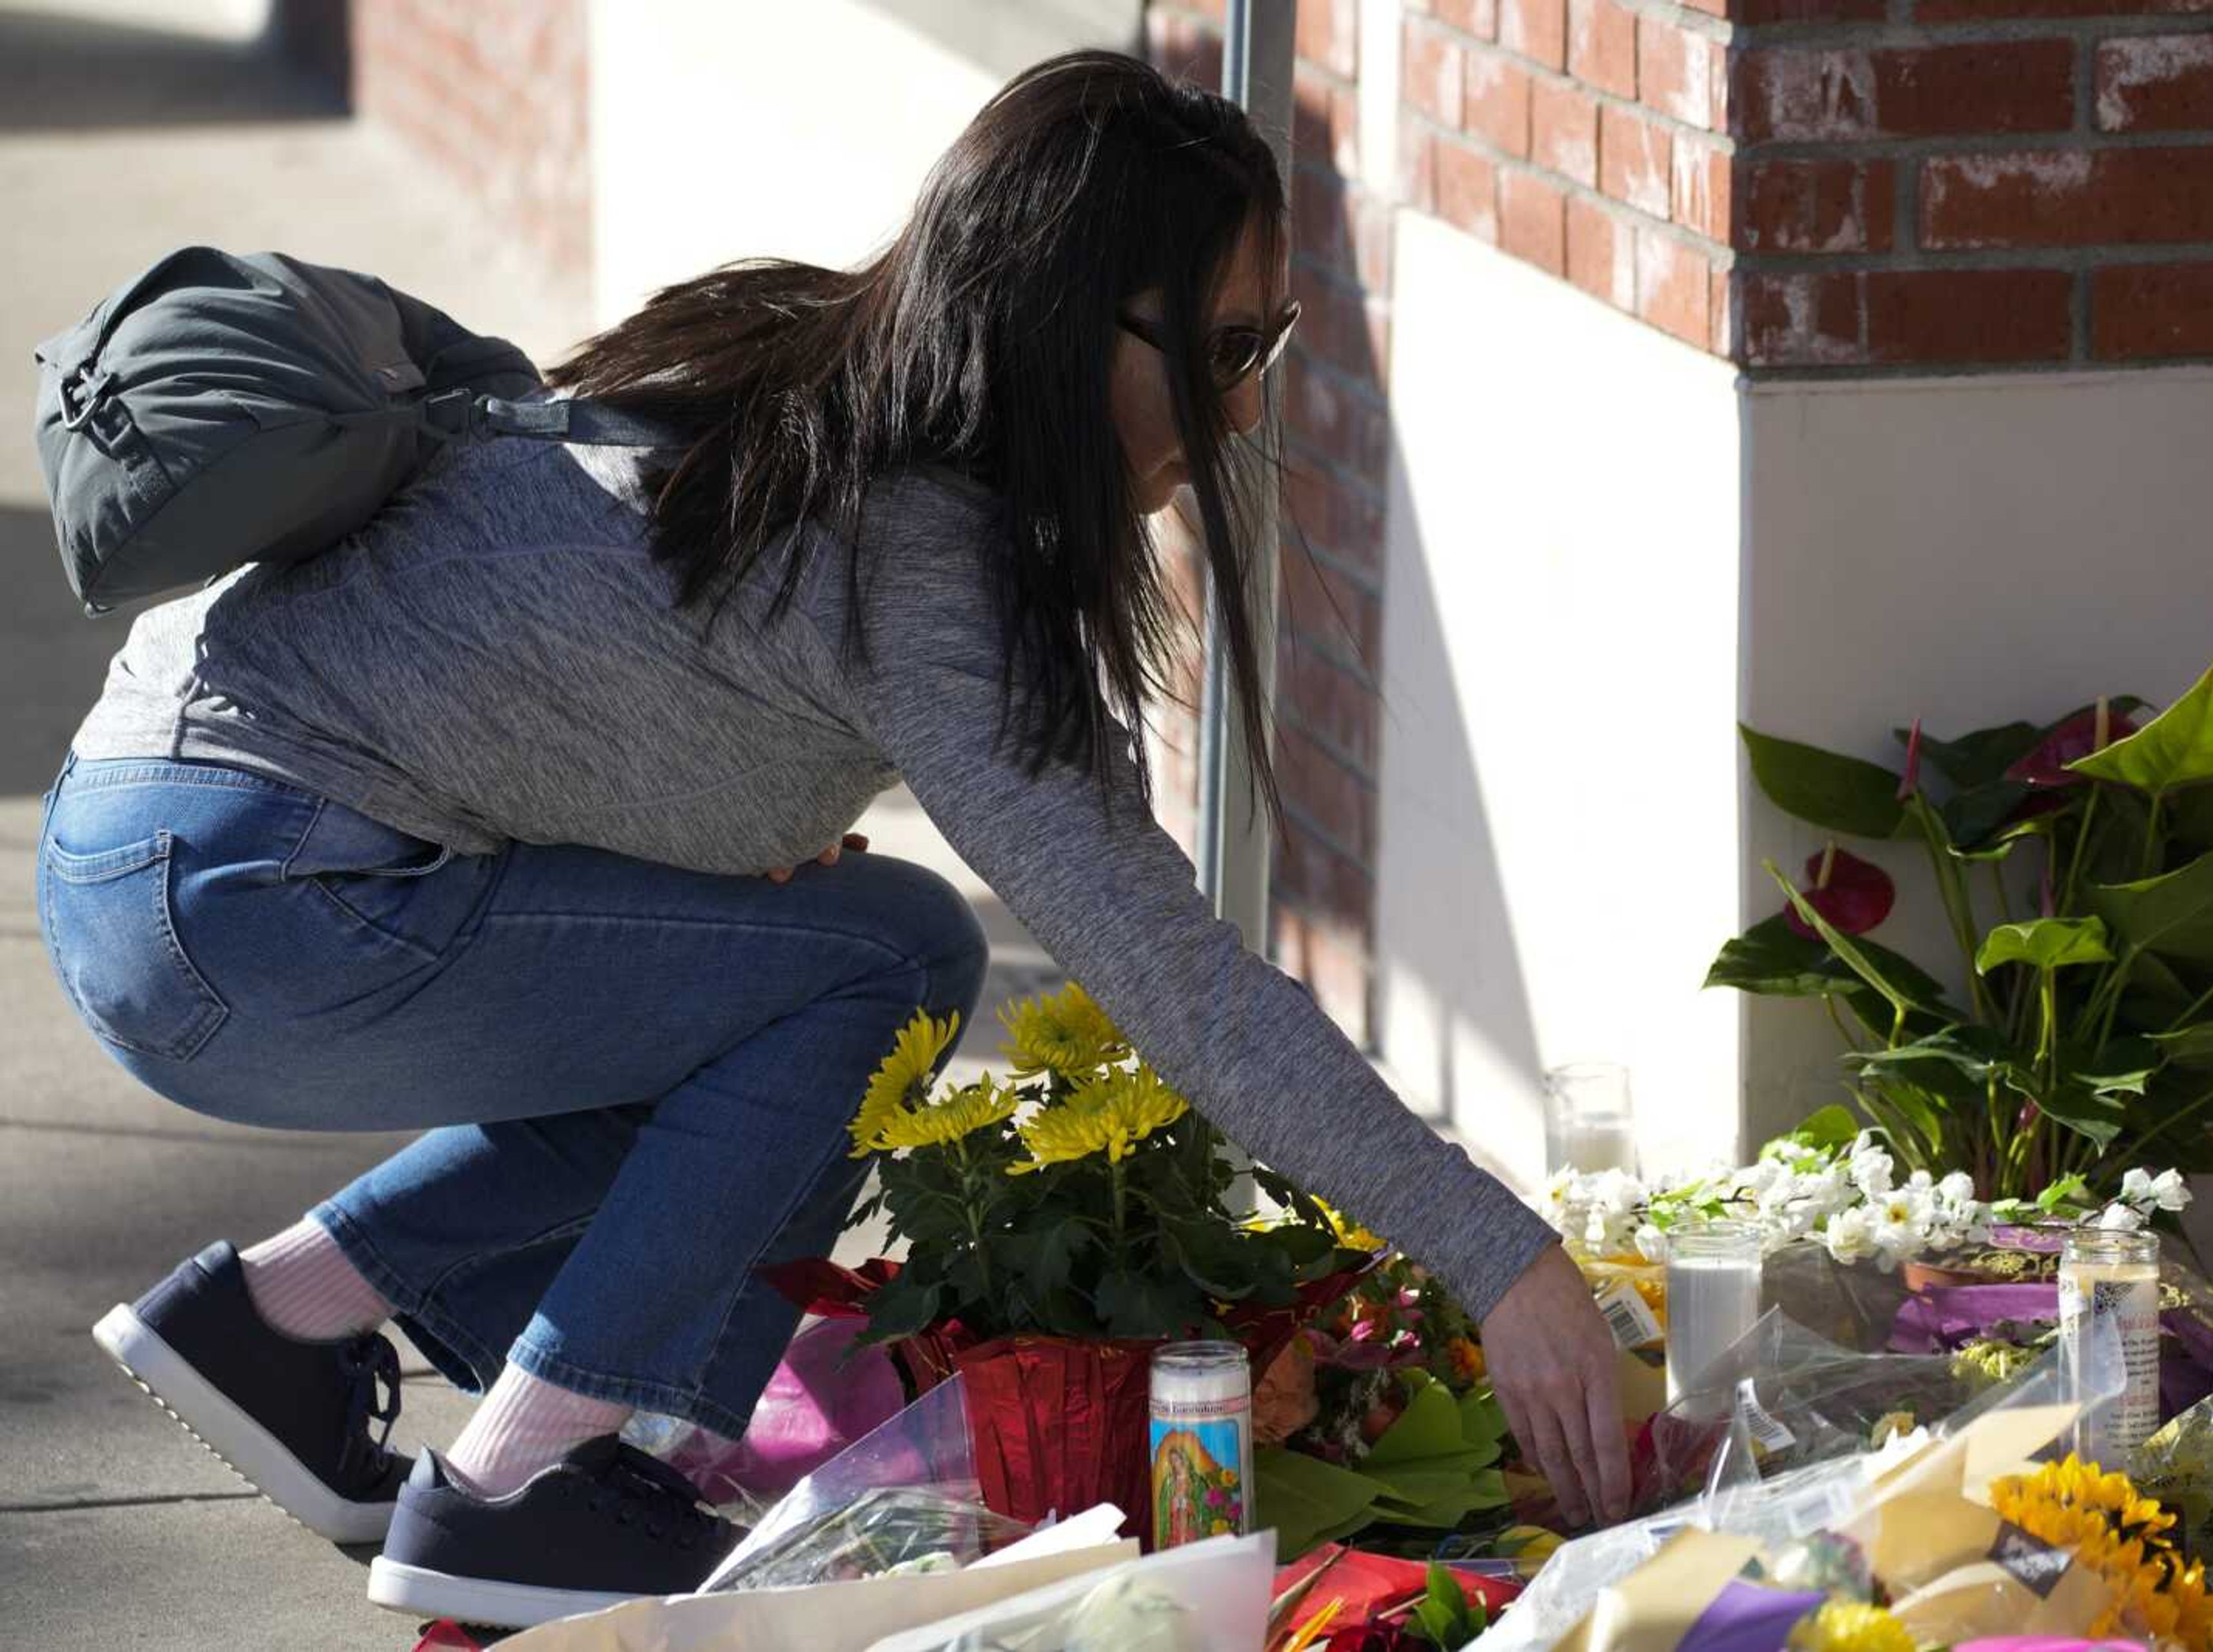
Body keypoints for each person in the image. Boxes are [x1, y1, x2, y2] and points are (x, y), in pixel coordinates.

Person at [39, 50, 1628, 1627]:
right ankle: (528, 1487)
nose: (1249, 400)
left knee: (793, 982)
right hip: (250, 896)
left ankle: (277, 1322)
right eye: (1225, 345)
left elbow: (537, 666)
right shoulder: (921, 565)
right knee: (894, 964)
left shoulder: (801, 361)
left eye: (1264, 340)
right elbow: (1179, 983)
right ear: (1077, 324)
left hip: (161, 851)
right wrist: (1500, 1260)